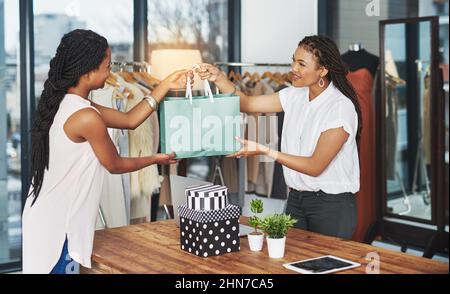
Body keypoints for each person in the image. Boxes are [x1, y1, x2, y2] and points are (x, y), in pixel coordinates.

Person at [22, 29, 193, 274]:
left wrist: (165, 84)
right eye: (107, 65)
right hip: (58, 227)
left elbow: (129, 119)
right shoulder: (86, 116)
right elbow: (115, 165)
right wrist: (156, 159)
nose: (110, 72)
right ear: (88, 70)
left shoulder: (69, 103)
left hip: (45, 217)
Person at [197, 35, 361, 240]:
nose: (293, 68)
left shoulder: (339, 107)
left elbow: (315, 166)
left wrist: (266, 151)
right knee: (291, 264)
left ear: (323, 70)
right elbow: (247, 103)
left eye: (302, 64)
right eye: (293, 60)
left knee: (327, 268)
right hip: (295, 200)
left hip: (331, 206)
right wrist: (219, 78)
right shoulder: (294, 95)